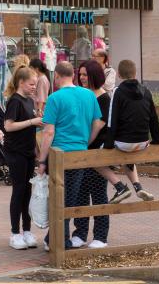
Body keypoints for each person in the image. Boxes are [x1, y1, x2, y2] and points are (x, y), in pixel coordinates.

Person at [36, 61, 105, 251]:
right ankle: (56, 238)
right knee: (71, 196)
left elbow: (48, 132)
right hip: (80, 153)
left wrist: (42, 160)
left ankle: (60, 240)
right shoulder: (89, 95)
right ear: (73, 76)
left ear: (57, 77)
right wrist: (85, 142)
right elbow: (98, 123)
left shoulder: (55, 98)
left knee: (60, 198)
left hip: (60, 154)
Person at [103, 59, 159, 201]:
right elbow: (153, 117)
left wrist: (108, 145)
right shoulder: (146, 91)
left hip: (123, 143)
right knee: (128, 155)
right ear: (135, 73)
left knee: (95, 159)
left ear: (118, 75)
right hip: (143, 142)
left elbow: (112, 120)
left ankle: (120, 187)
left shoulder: (117, 92)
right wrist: (157, 140)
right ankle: (138, 187)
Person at [71, 60, 111, 249]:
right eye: (81, 74)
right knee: (80, 194)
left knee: (98, 194)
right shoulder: (82, 95)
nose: (82, 78)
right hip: (80, 152)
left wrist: (83, 144)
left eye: (86, 74)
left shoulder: (104, 99)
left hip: (95, 152)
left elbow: (98, 125)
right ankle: (79, 233)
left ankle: (101, 236)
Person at [3, 66, 42, 250]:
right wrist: (32, 121)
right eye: (31, 84)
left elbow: (31, 126)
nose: (34, 87)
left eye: (35, 84)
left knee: (28, 191)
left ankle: (26, 230)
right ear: (21, 83)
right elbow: (8, 126)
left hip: (28, 151)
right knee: (18, 190)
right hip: (16, 152)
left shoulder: (29, 100)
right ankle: (14, 232)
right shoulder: (15, 101)